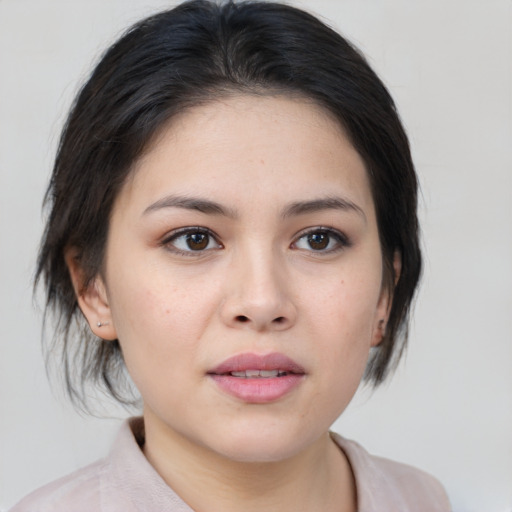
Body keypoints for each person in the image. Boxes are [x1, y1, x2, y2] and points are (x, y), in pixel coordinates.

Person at [10, 1, 452, 510]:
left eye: (318, 239)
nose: (262, 301)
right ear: (93, 287)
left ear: (384, 291)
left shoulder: (425, 500)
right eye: (193, 239)